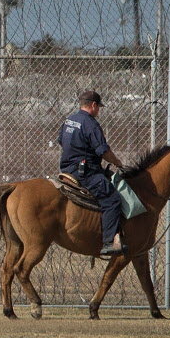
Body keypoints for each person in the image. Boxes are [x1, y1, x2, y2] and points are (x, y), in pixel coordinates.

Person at [58, 90, 126, 256]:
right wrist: (117, 162)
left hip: (67, 169)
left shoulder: (70, 120)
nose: (99, 111)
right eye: (99, 107)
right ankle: (109, 242)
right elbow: (103, 151)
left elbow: (61, 140)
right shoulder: (91, 124)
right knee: (112, 199)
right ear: (94, 105)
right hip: (86, 172)